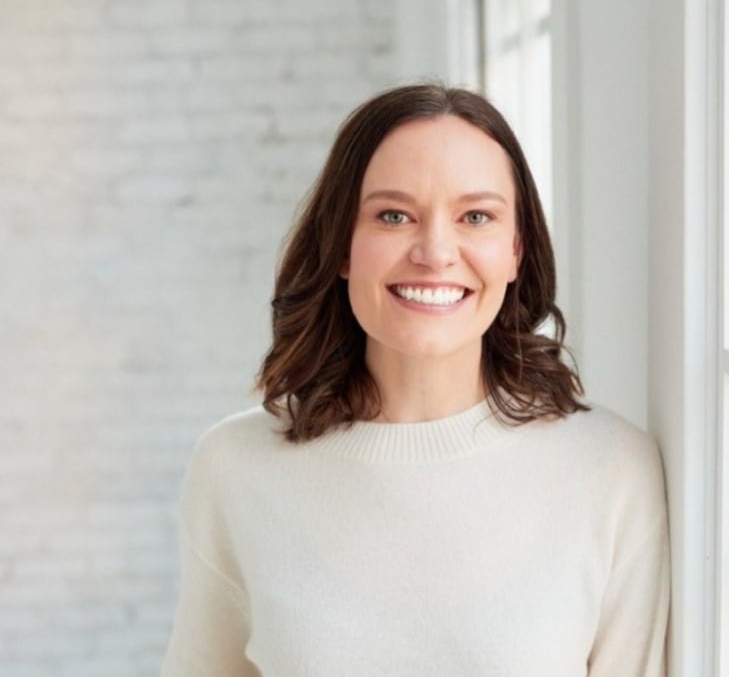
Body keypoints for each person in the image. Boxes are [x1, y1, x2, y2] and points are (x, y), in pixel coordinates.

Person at [160, 83, 669, 676]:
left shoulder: (611, 470)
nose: (435, 251)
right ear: (343, 246)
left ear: (515, 250)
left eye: (475, 216)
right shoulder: (233, 467)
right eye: (394, 215)